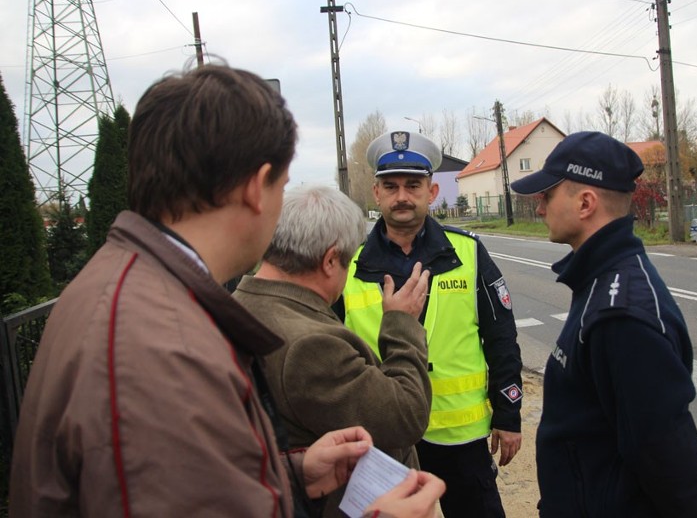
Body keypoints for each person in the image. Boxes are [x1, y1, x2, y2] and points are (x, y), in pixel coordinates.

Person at [9, 63, 443, 518]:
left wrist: (290, 477)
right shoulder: (164, 343)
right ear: (258, 189)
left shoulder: (129, 288)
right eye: (283, 183)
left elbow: (190, 487)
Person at [510, 131, 697, 518]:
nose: (540, 207)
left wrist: (694, 497)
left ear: (585, 203)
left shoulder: (621, 312)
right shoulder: (600, 280)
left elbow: (659, 436)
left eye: (547, 195)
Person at [336, 130, 524, 518]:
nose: (402, 196)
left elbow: (501, 338)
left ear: (432, 192)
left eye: (413, 185)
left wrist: (508, 415)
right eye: (391, 186)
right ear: (376, 194)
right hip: (380, 437)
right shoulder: (348, 264)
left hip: (461, 438)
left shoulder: (468, 252)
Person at [233, 184, 435, 517]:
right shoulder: (310, 346)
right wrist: (401, 325)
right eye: (347, 260)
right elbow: (405, 415)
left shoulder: (240, 305)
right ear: (329, 261)